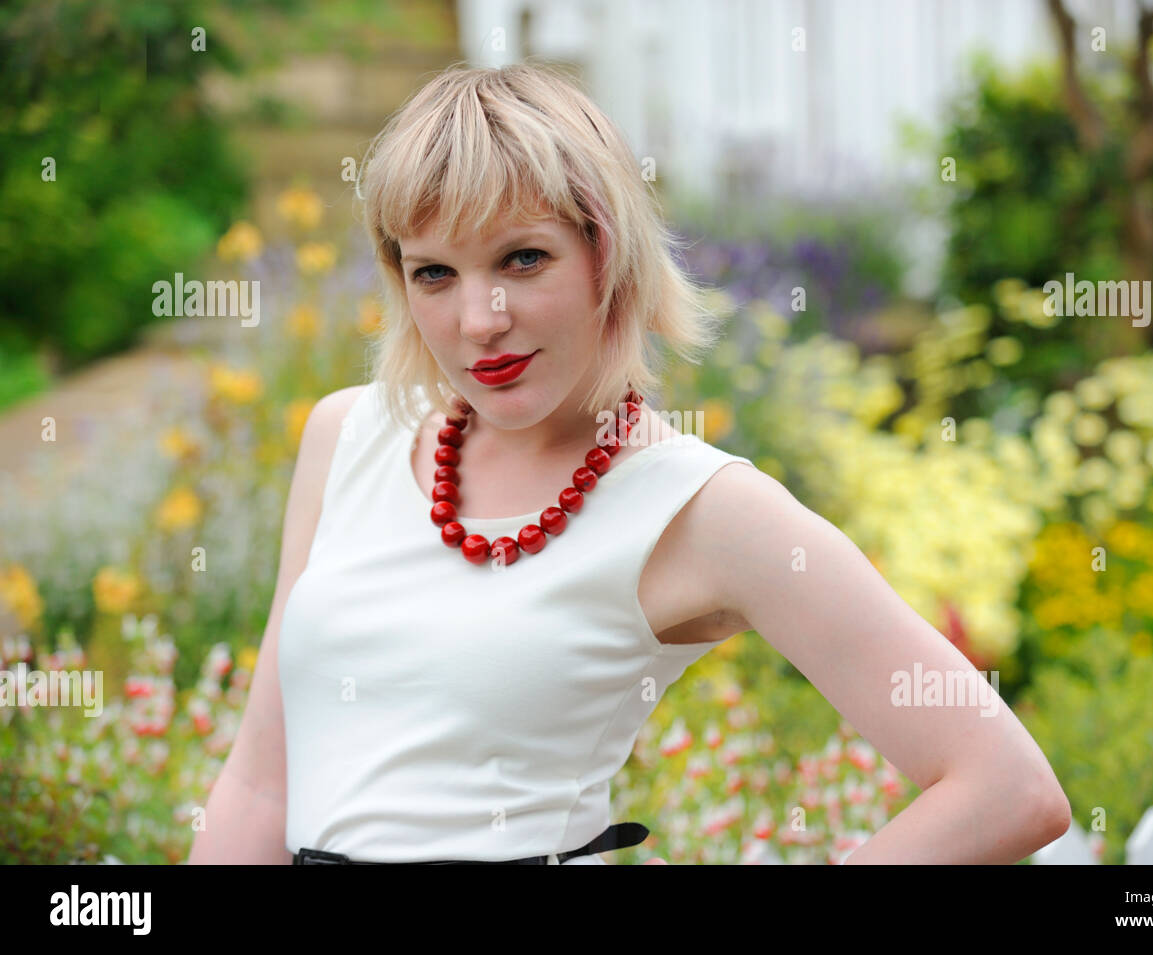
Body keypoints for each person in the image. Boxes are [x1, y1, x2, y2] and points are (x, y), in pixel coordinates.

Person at [187, 62, 1071, 866]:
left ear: (607, 254)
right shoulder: (348, 437)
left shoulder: (699, 506)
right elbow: (261, 787)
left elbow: (1005, 787)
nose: (478, 320)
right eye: (433, 274)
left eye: (521, 258)